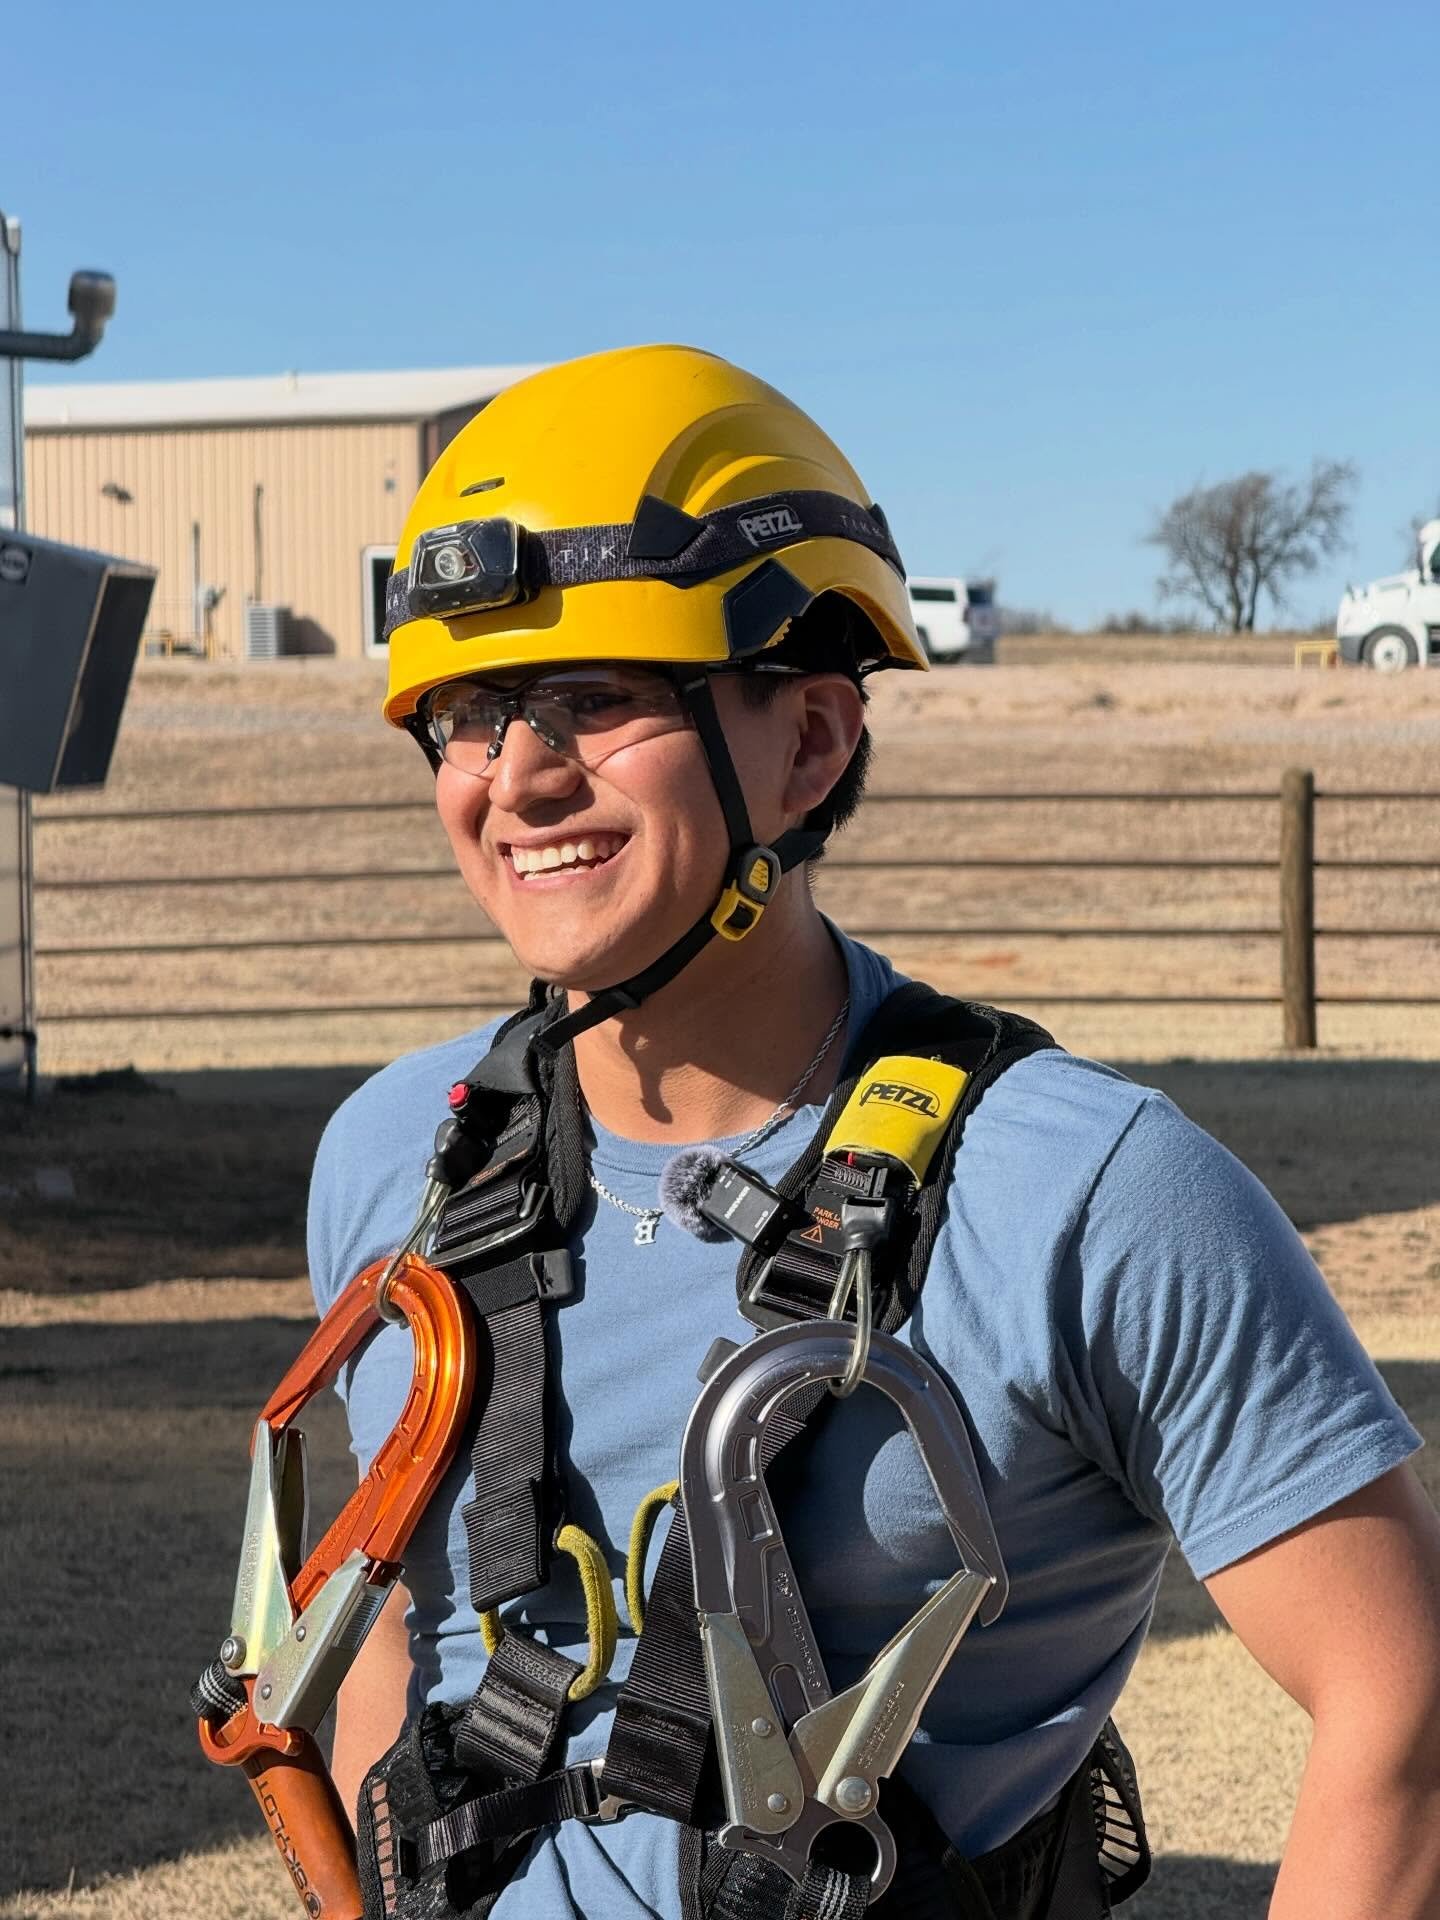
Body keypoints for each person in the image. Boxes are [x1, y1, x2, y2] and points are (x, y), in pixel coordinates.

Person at [308, 344, 1440, 1920]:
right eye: (472, 714)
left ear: (813, 745)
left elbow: (1406, 1704)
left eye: (597, 698)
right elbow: (397, 1632)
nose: (520, 777)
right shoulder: (398, 1163)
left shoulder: (1091, 1194)